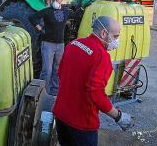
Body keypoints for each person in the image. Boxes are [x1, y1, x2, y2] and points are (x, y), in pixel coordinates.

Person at [53, 16, 133, 146]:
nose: (117, 41)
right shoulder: (102, 57)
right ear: (103, 33)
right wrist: (118, 116)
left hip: (61, 115)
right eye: (115, 36)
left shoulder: (74, 44)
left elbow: (60, 73)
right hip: (82, 124)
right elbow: (96, 93)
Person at [29, 0, 70, 96]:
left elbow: (76, 14)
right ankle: (43, 92)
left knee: (57, 69)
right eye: (53, 0)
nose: (55, 1)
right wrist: (40, 29)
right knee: (47, 70)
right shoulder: (47, 11)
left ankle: (55, 91)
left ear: (61, 0)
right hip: (48, 44)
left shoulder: (66, 11)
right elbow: (32, 18)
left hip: (60, 45)